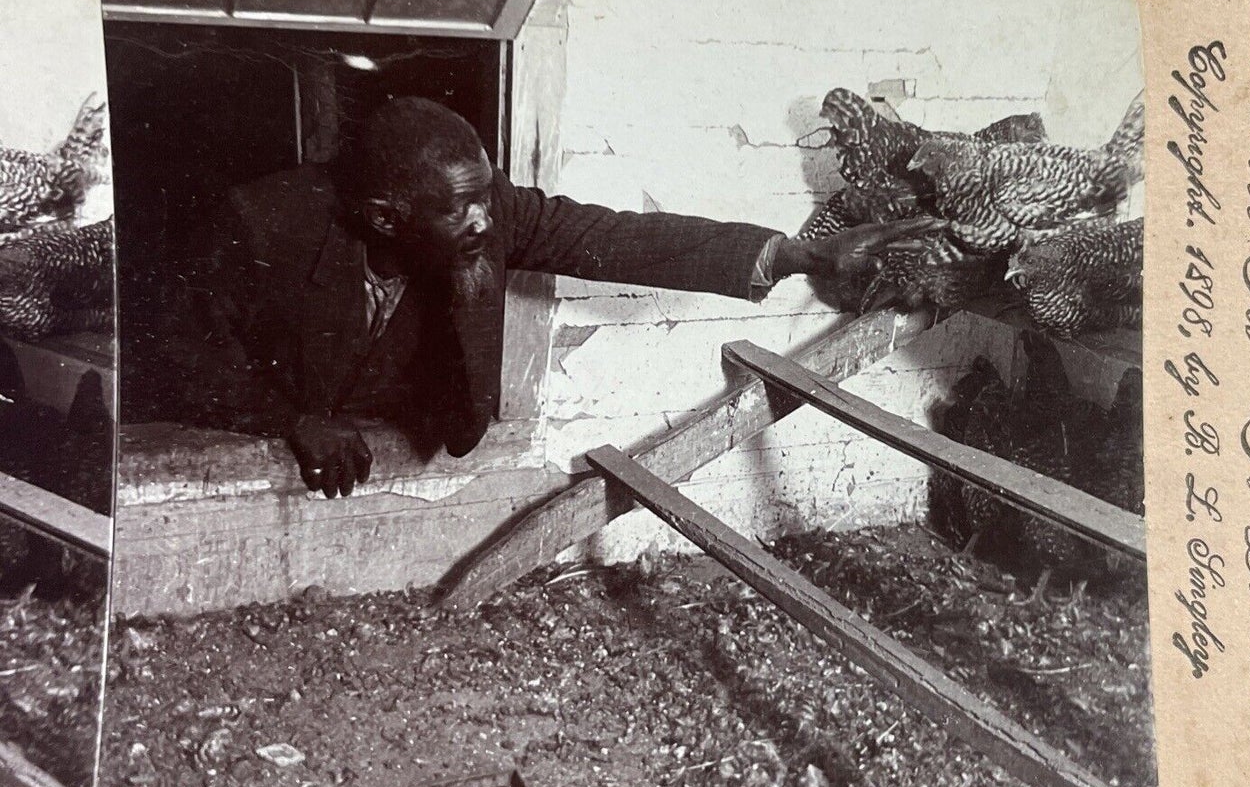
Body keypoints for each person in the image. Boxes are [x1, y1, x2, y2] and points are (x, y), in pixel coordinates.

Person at [170, 95, 927, 498]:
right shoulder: (265, 224)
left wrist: (793, 251)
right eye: (460, 208)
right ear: (383, 218)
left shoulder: (486, 210)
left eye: (486, 196)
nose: (484, 219)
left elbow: (622, 237)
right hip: (296, 402)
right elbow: (179, 353)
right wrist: (297, 421)